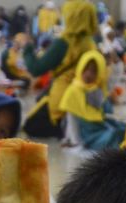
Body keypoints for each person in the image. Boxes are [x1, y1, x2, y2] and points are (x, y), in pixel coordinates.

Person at [22, 0, 98, 138]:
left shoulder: (64, 43)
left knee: (30, 125)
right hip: (84, 98)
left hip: (62, 98)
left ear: (71, 17)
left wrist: (27, 48)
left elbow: (36, 68)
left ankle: (64, 129)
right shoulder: (91, 43)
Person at [59, 50, 126, 150]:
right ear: (80, 68)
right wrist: (76, 142)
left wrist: (117, 62)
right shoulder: (73, 91)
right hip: (88, 137)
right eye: (86, 69)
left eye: (94, 71)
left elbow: (113, 79)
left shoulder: (98, 88)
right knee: (115, 136)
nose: (88, 74)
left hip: (101, 127)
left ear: (99, 73)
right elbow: (72, 121)